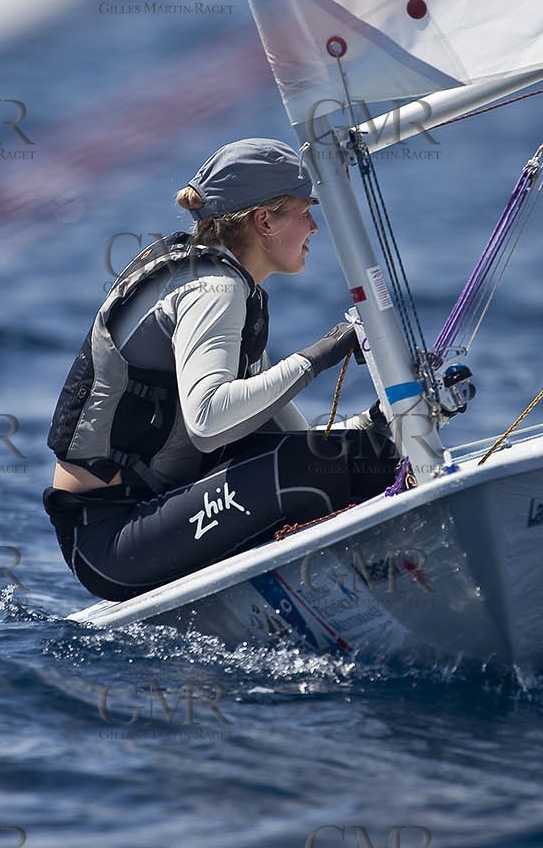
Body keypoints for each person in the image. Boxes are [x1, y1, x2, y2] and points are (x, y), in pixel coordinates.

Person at [44, 138, 400, 602]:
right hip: (110, 540)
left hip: (157, 512)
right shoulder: (213, 290)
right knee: (314, 469)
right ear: (264, 221)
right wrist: (322, 354)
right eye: (304, 211)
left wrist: (377, 423)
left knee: (362, 454)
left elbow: (289, 435)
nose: (314, 226)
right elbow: (208, 423)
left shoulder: (230, 288)